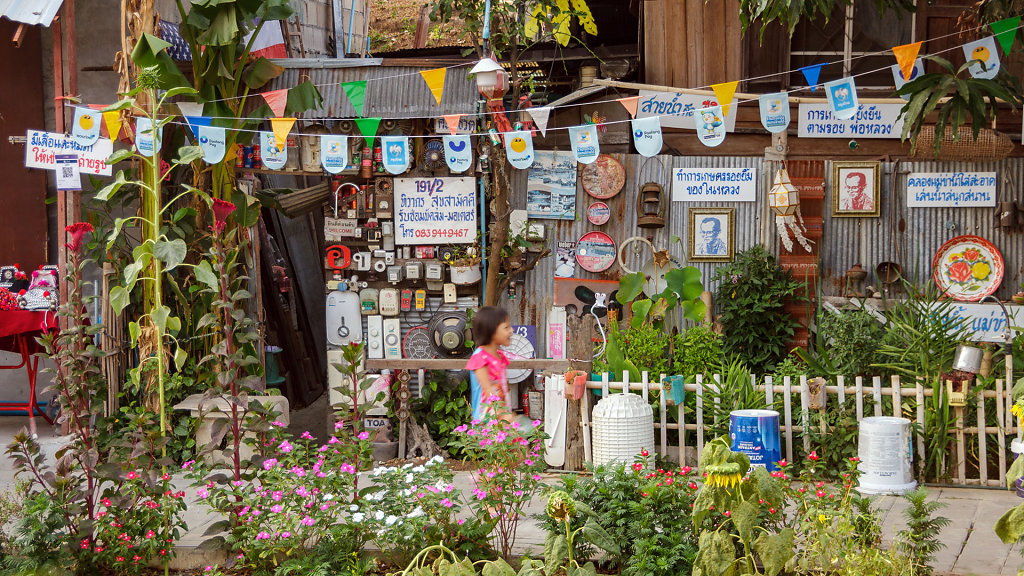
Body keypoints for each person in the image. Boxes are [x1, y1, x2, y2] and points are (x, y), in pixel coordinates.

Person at [466, 306, 515, 423]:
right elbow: (488, 390)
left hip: (502, 418)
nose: (511, 331)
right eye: (506, 327)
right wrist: (502, 415)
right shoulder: (480, 357)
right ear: (491, 331)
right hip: (487, 422)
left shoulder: (500, 357)